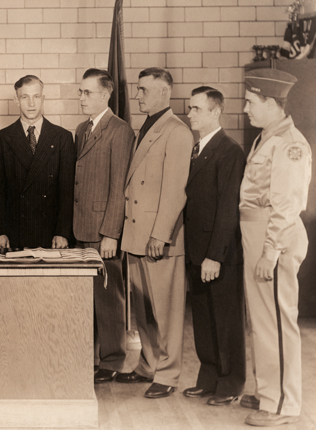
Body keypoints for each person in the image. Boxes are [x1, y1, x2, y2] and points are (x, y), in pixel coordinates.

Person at [116, 67, 194, 398]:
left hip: (158, 239)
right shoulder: (147, 127)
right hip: (137, 234)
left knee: (166, 312)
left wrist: (160, 235)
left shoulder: (177, 131)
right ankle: (148, 364)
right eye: (138, 89)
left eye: (144, 90)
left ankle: (168, 373)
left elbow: (176, 191)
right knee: (145, 309)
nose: (137, 96)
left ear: (164, 92)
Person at [239, 69, 311, 427]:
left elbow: (287, 204)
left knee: (277, 322)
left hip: (274, 236)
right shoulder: (266, 137)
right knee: (262, 322)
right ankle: (268, 390)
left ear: (270, 102)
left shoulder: (289, 144)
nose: (246, 108)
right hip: (258, 232)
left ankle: (282, 403)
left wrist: (270, 251)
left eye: (251, 102)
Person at [183, 87, 246, 406]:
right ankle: (208, 378)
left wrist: (214, 256)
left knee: (225, 321)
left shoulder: (229, 151)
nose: (189, 114)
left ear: (216, 112)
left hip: (218, 255)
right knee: (204, 320)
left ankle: (231, 383)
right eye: (190, 108)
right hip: (197, 251)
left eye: (196, 108)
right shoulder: (197, 148)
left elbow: (228, 209)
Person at [73, 68, 135, 383]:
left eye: (88, 92)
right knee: (87, 299)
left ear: (106, 94)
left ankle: (112, 360)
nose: (82, 98)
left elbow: (119, 186)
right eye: (80, 92)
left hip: (102, 232)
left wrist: (111, 233)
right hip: (81, 228)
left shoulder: (120, 130)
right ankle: (92, 358)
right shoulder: (82, 129)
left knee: (109, 299)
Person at [0, 75, 75, 249]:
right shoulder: (1, 138)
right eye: (24, 97)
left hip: (52, 234)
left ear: (43, 99)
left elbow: (66, 190)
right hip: (14, 233)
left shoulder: (63, 137)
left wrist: (62, 231)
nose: (31, 103)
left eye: (36, 96)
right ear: (16, 100)